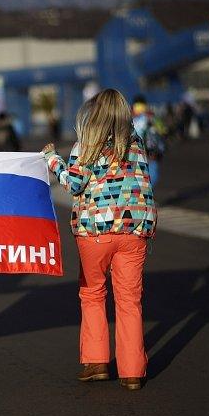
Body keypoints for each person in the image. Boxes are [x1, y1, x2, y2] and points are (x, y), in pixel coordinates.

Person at [42, 89, 157, 391]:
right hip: (135, 229)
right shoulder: (136, 144)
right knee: (129, 301)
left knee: (93, 293)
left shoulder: (87, 145)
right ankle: (133, 372)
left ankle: (96, 361)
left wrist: (52, 160)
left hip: (95, 230)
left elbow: (75, 184)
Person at [132, 95, 167, 187]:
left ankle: (145, 196)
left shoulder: (130, 117)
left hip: (137, 150)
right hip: (150, 150)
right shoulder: (150, 116)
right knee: (151, 174)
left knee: (140, 175)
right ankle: (147, 195)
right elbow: (163, 130)